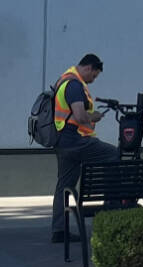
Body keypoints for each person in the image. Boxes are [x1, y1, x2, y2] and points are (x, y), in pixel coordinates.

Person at [50, 53, 120, 244]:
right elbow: (80, 116)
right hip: (77, 140)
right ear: (89, 68)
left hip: (63, 141)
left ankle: (59, 231)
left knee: (64, 185)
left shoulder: (64, 80)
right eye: (94, 75)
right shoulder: (74, 85)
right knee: (114, 155)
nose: (93, 80)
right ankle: (111, 208)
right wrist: (94, 117)